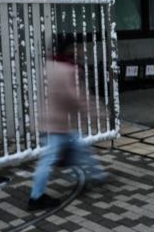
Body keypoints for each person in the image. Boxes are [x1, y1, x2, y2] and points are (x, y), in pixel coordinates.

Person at [28, 35, 107, 211]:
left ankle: (96, 175)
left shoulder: (48, 65)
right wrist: (95, 110)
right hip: (54, 124)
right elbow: (73, 97)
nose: (79, 50)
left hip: (49, 122)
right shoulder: (66, 69)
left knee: (78, 145)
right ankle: (35, 198)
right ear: (67, 49)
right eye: (75, 47)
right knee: (49, 160)